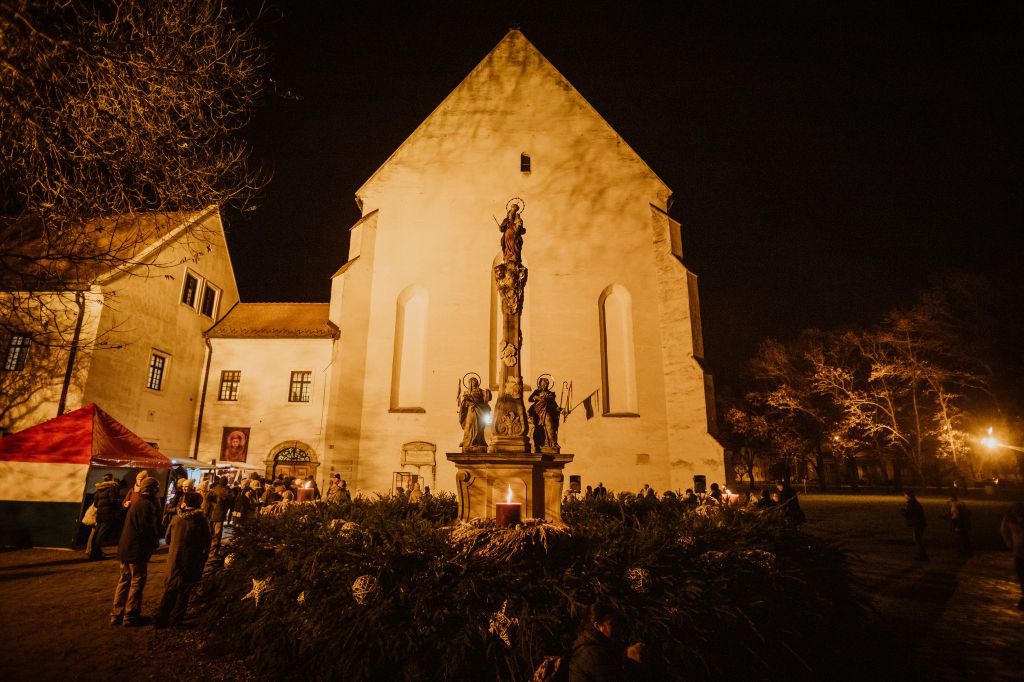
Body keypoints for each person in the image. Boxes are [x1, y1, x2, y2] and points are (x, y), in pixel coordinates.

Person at [154, 492, 211, 628]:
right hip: (191, 559)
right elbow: (207, 541)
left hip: (175, 558)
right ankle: (176, 619)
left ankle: (160, 618)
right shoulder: (201, 520)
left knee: (171, 589)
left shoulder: (176, 519)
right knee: (184, 591)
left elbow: (167, 539)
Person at [110, 477, 161, 626]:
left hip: (125, 548)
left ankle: (116, 614)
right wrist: (154, 543)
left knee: (124, 581)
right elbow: (147, 529)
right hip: (136, 550)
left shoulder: (137, 503)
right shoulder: (147, 505)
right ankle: (130, 615)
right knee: (137, 581)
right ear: (152, 489)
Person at [568, 602, 645, 681]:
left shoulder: (600, 645)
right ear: (598, 626)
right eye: (611, 624)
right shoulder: (591, 653)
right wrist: (631, 663)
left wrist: (627, 654)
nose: (616, 628)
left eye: (616, 623)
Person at [86, 474, 121, 560]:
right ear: (111, 479)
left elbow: (96, 503)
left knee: (97, 534)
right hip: (108, 515)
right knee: (101, 535)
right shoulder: (112, 488)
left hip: (99, 515)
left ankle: (93, 553)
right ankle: (96, 555)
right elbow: (112, 501)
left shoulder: (99, 489)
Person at [999, 502, 1024, 610]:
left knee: (1022, 575)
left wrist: (1009, 542)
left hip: (1019, 551)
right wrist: (1009, 542)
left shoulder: (1010, 518)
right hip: (1019, 552)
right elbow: (1003, 530)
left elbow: (1003, 531)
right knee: (1022, 575)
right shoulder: (1009, 519)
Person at [459, 376, 492, 451]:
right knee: (469, 426)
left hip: (480, 411)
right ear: (470, 383)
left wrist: (488, 392)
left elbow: (487, 398)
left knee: (479, 427)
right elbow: (464, 402)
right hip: (471, 411)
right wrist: (469, 403)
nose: (474, 383)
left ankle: (477, 442)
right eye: (473, 382)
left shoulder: (480, 391)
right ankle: (467, 442)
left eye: (475, 381)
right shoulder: (467, 393)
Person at [527, 377, 560, 451]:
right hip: (537, 411)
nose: (544, 385)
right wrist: (537, 397)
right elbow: (530, 399)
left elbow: (554, 404)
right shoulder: (536, 392)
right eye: (542, 384)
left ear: (548, 385)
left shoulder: (550, 394)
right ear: (540, 384)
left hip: (546, 411)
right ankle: (537, 444)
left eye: (545, 384)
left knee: (549, 425)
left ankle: (553, 442)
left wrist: (559, 409)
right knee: (538, 428)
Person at [900, 490, 929, 561]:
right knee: (918, 539)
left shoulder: (912, 503)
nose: (904, 496)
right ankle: (921, 554)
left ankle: (922, 555)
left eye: (905, 495)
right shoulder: (914, 503)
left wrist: (902, 511)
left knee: (918, 539)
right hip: (919, 523)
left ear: (908, 496)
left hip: (917, 524)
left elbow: (908, 514)